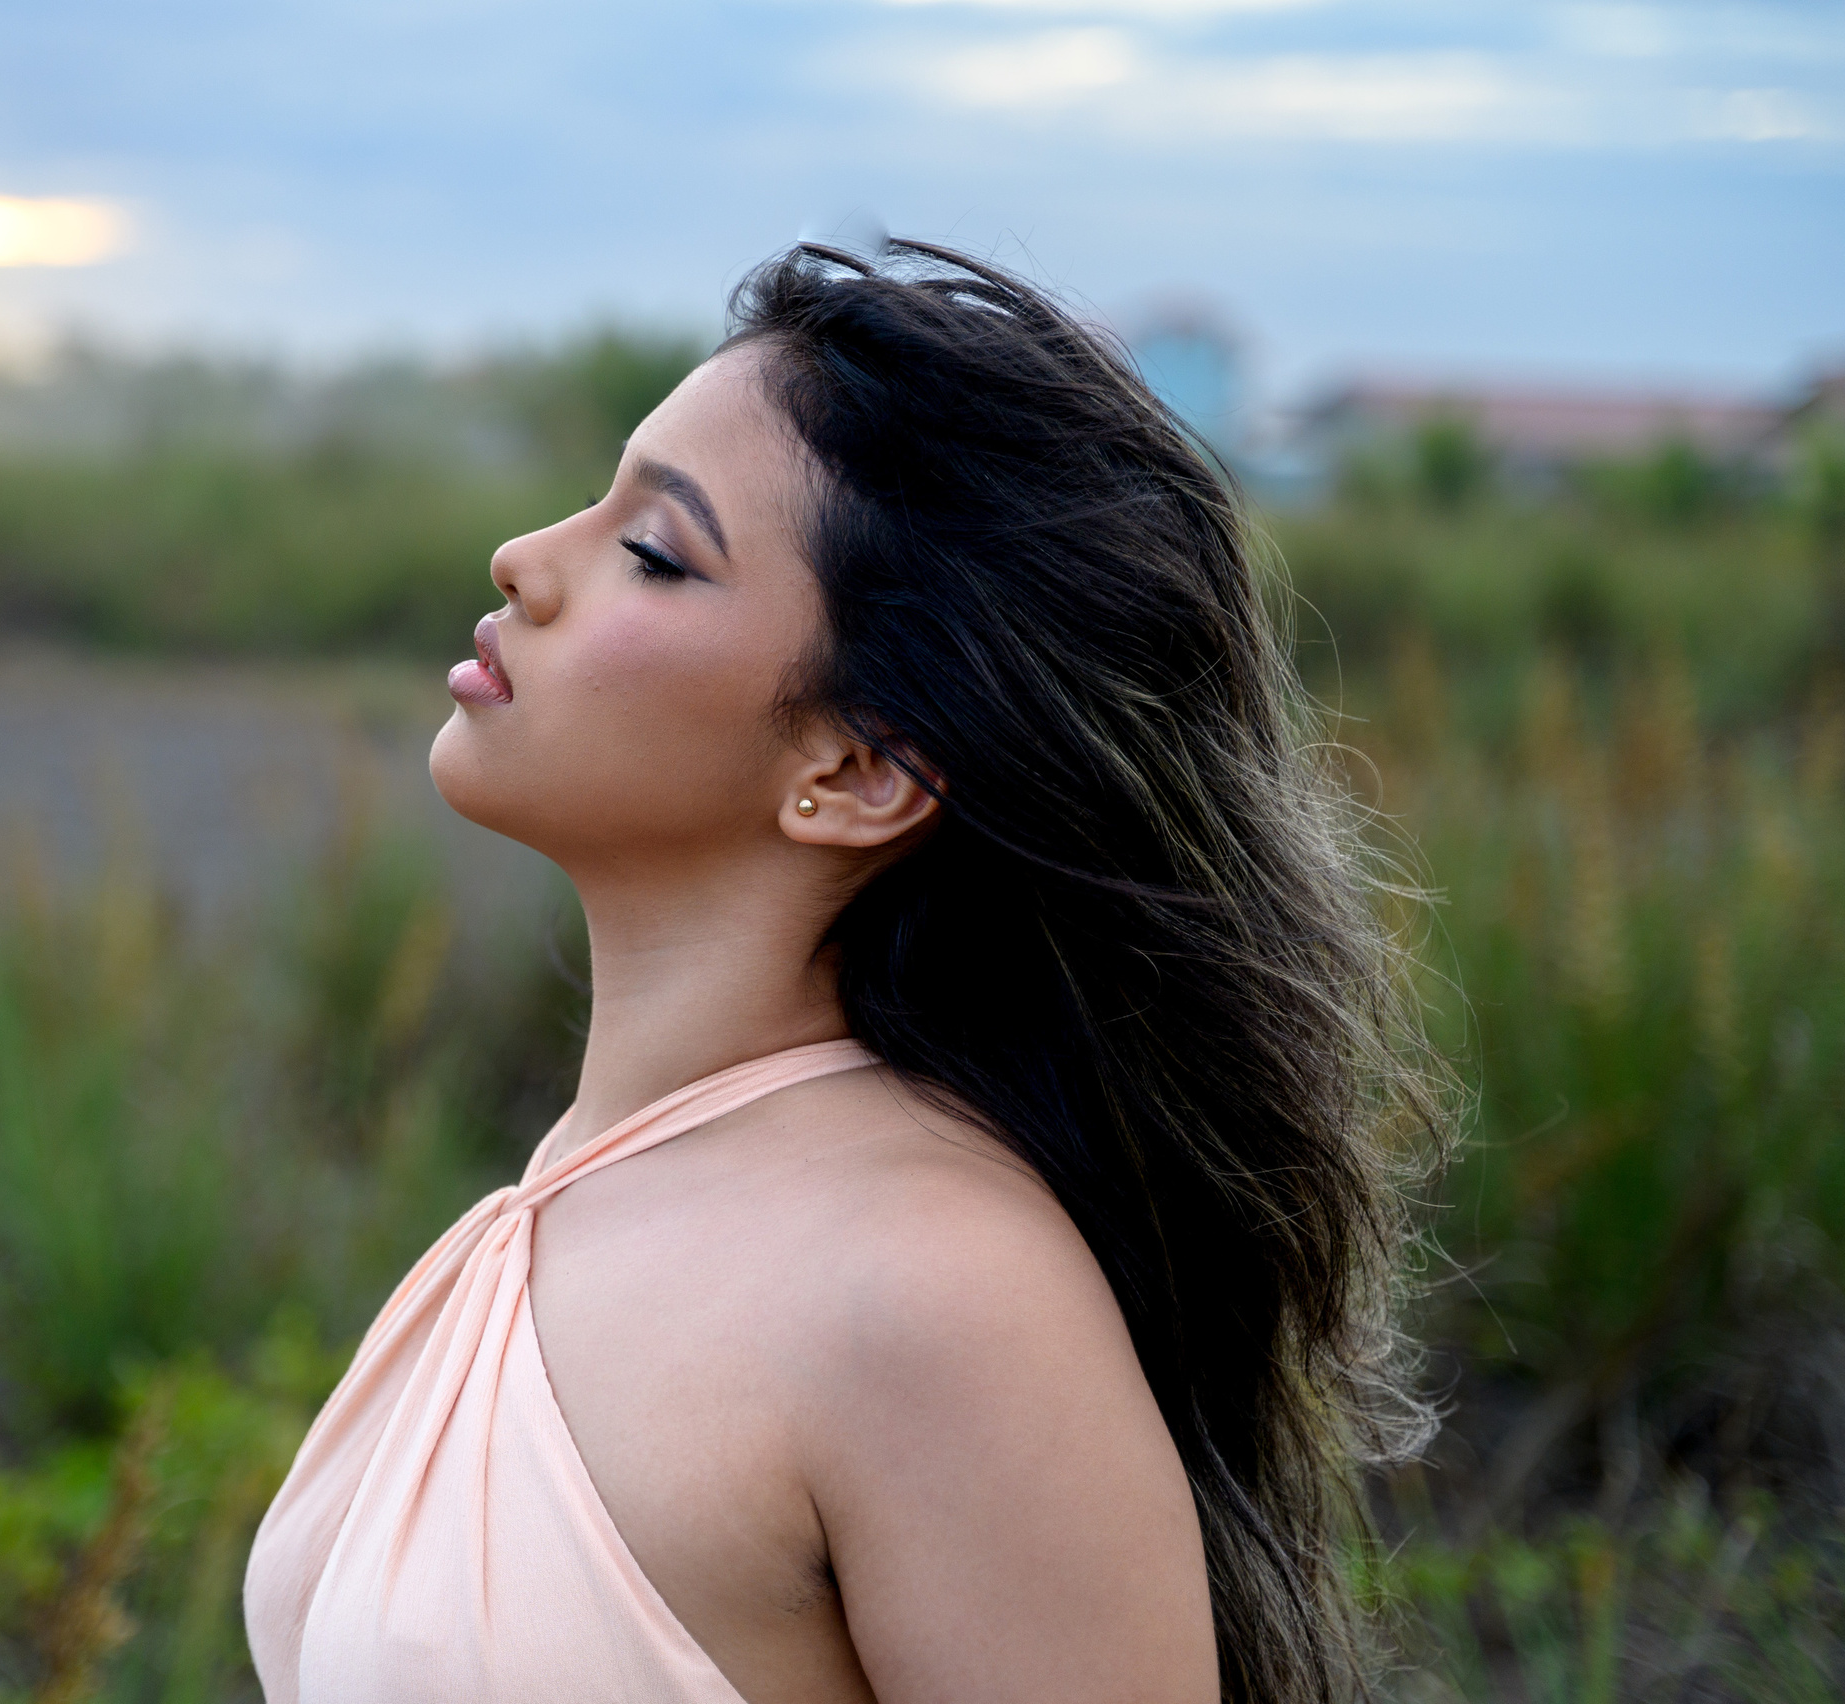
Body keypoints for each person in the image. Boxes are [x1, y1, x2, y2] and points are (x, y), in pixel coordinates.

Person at [242, 239, 1445, 1704]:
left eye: (653, 550)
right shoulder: (590, 1178)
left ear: (858, 769)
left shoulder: (938, 1295)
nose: (525, 559)